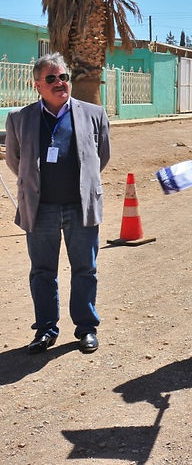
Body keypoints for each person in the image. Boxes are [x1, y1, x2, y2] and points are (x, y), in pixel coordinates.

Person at [4, 53, 110, 354]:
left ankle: (86, 328)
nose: (60, 82)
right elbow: (14, 160)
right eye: (51, 78)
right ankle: (46, 330)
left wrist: (83, 182)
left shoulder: (94, 114)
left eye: (63, 76)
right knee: (42, 272)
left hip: (81, 207)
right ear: (37, 85)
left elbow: (101, 156)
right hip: (40, 210)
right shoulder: (20, 119)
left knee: (85, 269)